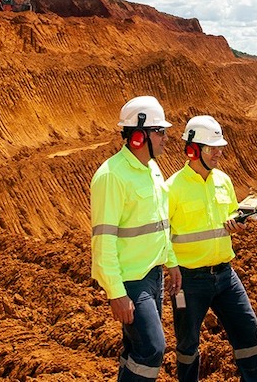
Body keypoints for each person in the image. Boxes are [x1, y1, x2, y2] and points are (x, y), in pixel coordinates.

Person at [167, 115, 257, 381]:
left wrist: (240, 224)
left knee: (248, 330)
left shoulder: (224, 180)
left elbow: (231, 216)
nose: (219, 153)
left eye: (220, 147)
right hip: (189, 280)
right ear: (193, 150)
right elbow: (161, 235)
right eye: (212, 148)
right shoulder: (171, 189)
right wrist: (171, 268)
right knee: (187, 345)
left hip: (225, 275)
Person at [90, 95, 181, 381]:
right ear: (139, 136)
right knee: (153, 348)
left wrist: (171, 262)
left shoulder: (151, 169)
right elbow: (103, 241)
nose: (166, 138)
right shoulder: (111, 176)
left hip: (154, 276)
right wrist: (116, 291)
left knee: (136, 348)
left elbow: (160, 223)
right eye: (160, 132)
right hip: (131, 280)